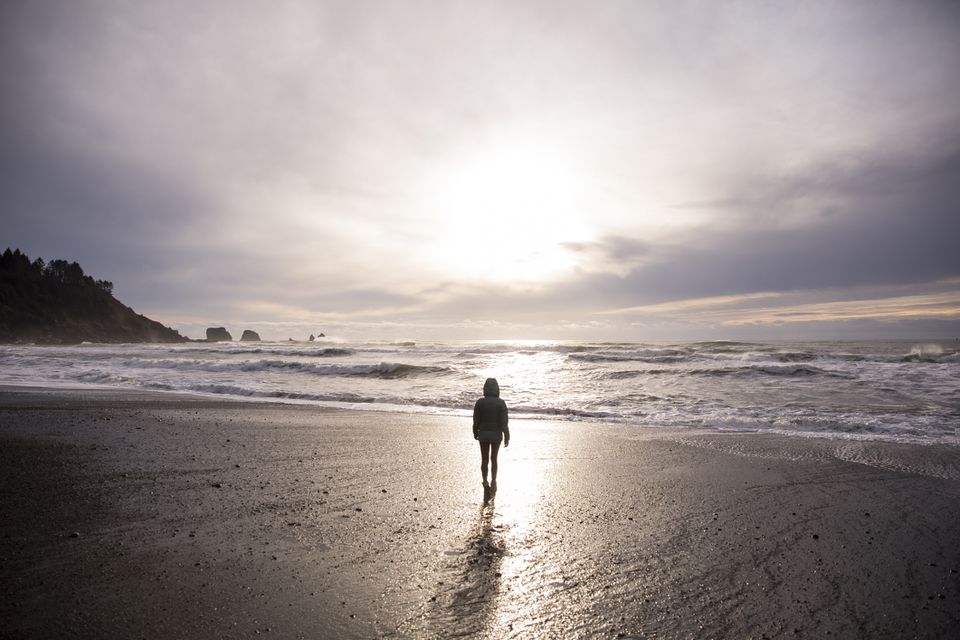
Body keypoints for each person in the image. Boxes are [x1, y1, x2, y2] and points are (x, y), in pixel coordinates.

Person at [473, 377, 509, 495]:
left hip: (483, 433)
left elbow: (476, 420)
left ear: (485, 389)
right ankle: (493, 481)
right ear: (497, 389)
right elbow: (504, 423)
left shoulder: (480, 402)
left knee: (484, 459)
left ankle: (485, 481)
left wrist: (475, 431)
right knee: (494, 459)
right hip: (496, 435)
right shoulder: (501, 403)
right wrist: (507, 436)